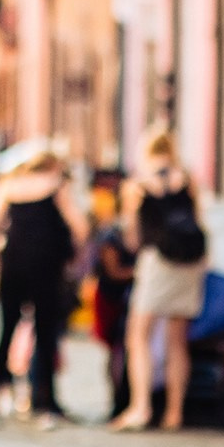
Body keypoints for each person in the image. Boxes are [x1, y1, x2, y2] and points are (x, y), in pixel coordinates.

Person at [0, 147, 87, 429]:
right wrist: (72, 254)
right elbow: (81, 227)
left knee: (6, 330)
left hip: (13, 264)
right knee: (46, 332)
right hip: (47, 267)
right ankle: (45, 403)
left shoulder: (8, 185)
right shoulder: (57, 186)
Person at [112, 130, 206, 432]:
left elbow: (132, 237)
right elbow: (200, 221)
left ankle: (141, 406)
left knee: (138, 336)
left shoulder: (138, 185)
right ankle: (174, 412)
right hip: (190, 264)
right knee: (177, 341)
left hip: (158, 262)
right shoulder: (187, 179)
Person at [87, 178, 136, 420]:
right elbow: (113, 271)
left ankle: (121, 399)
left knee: (123, 349)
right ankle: (116, 400)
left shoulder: (136, 230)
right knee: (116, 349)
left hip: (125, 297)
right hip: (110, 297)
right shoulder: (112, 233)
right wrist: (140, 272)